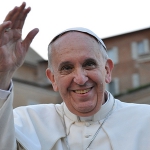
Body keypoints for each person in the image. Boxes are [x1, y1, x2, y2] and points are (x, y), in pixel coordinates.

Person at [0, 2, 150, 150]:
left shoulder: (145, 120)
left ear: (107, 70)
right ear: (53, 79)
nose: (80, 79)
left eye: (89, 64)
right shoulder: (28, 122)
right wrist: (3, 72)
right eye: (67, 68)